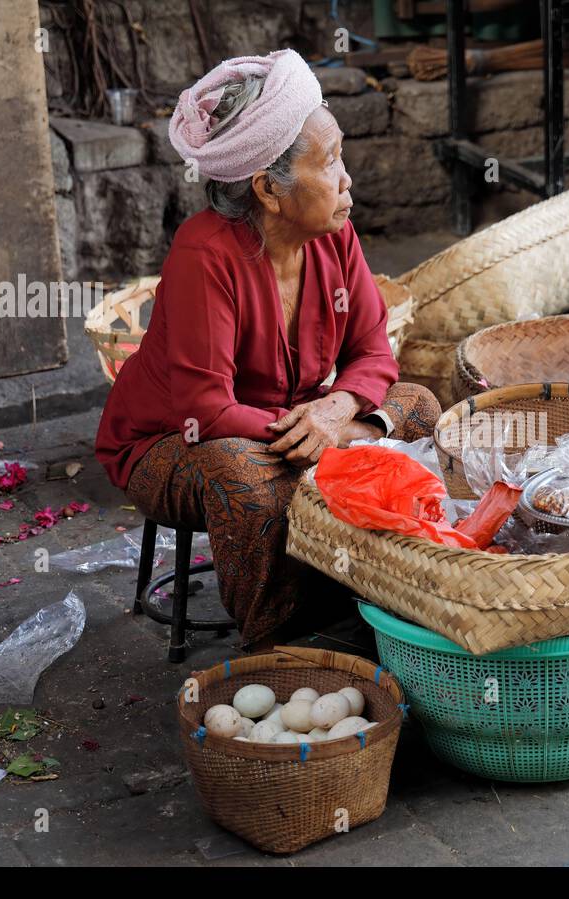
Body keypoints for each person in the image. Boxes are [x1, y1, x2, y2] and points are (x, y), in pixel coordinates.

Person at [95, 51, 439, 648]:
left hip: (298, 422)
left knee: (420, 406)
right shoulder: (205, 253)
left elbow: (375, 354)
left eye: (341, 156)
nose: (346, 179)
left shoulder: (335, 236)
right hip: (173, 442)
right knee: (245, 474)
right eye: (329, 162)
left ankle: (379, 593)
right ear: (268, 190)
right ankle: (283, 642)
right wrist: (327, 433)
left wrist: (336, 413)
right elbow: (209, 410)